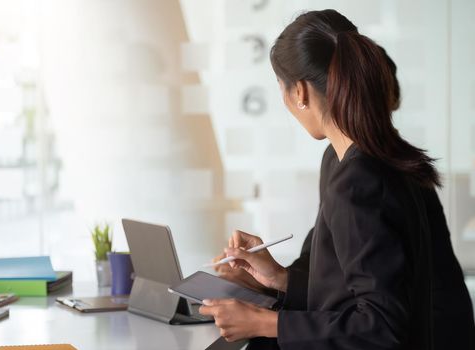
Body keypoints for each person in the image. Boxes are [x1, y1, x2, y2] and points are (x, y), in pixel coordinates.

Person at [199, 9, 475, 350]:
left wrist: (263, 322)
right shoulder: (356, 159)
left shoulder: (359, 182)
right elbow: (347, 288)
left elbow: (381, 326)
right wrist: (278, 278)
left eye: (281, 88)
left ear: (299, 92)